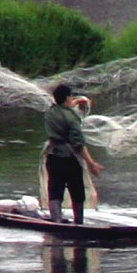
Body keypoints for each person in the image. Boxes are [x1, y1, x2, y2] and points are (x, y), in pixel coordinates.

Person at [41, 84, 103, 224]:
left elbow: (62, 106)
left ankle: (55, 221)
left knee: (55, 189)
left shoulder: (50, 112)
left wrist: (75, 102)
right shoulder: (72, 118)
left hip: (52, 156)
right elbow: (78, 144)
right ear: (67, 97)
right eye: (71, 96)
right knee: (77, 190)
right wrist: (91, 163)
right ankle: (78, 222)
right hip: (69, 158)